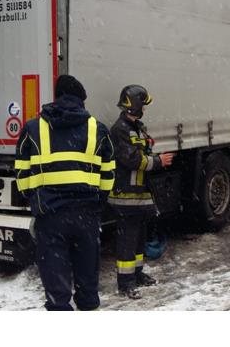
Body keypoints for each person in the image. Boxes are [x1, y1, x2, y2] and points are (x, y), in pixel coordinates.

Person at [15, 75, 115, 311]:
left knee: (55, 278)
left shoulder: (33, 128)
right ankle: (88, 307)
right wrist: (97, 202)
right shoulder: (97, 129)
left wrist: (36, 200)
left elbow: (22, 174)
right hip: (86, 215)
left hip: (50, 215)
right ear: (81, 99)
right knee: (87, 276)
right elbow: (108, 174)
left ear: (57, 96)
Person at [109, 84, 175, 299]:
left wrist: (151, 154)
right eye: (143, 105)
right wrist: (158, 161)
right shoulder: (120, 129)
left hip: (139, 193)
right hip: (126, 194)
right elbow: (131, 159)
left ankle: (137, 274)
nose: (145, 109)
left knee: (139, 237)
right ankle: (125, 283)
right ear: (135, 105)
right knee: (127, 240)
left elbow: (141, 153)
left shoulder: (136, 127)